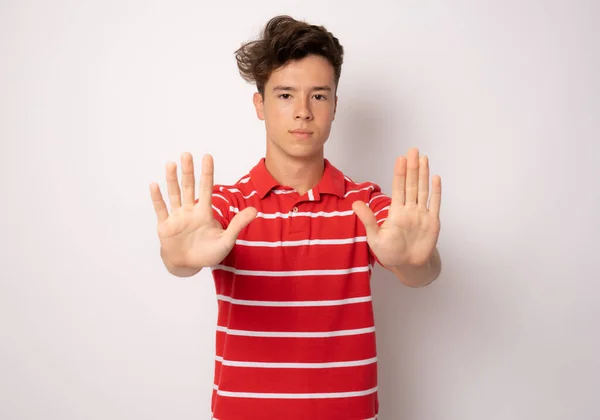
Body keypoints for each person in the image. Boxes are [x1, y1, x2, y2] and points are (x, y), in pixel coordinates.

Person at [149, 15, 442, 420]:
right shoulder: (228, 206)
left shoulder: (365, 204)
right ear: (260, 104)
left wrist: (416, 260)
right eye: (286, 95)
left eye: (319, 96)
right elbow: (182, 257)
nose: (303, 111)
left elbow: (420, 269)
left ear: (335, 106)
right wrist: (178, 258)